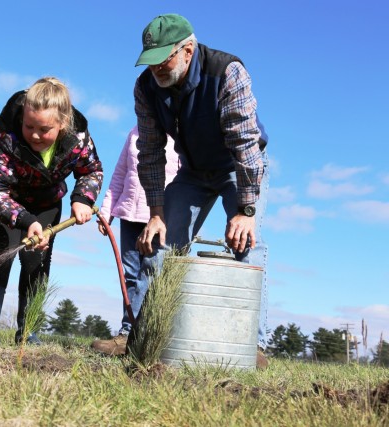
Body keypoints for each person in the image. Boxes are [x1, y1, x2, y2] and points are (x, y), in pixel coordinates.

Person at [132, 14, 270, 367]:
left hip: (239, 168)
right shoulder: (146, 88)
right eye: (150, 63)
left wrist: (247, 211)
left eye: (164, 60)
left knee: (245, 243)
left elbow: (245, 143)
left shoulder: (226, 72)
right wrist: (157, 214)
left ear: (188, 51)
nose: (156, 71)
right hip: (192, 172)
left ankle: (251, 345)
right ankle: (150, 338)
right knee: (162, 244)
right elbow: (149, 153)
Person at [0, 77, 103, 347]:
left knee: (37, 260)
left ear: (62, 124)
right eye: (29, 125)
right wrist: (25, 220)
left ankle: (28, 330)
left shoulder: (78, 138)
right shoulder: (5, 136)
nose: (34, 134)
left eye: (44, 129)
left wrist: (82, 198)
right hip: (3, 200)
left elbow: (91, 170)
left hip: (45, 202)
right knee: (1, 251)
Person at [91, 126, 179, 355]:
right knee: (130, 274)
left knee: (151, 274)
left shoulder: (179, 137)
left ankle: (143, 335)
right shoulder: (135, 133)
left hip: (160, 218)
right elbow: (120, 174)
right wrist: (107, 210)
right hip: (129, 214)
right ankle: (127, 333)